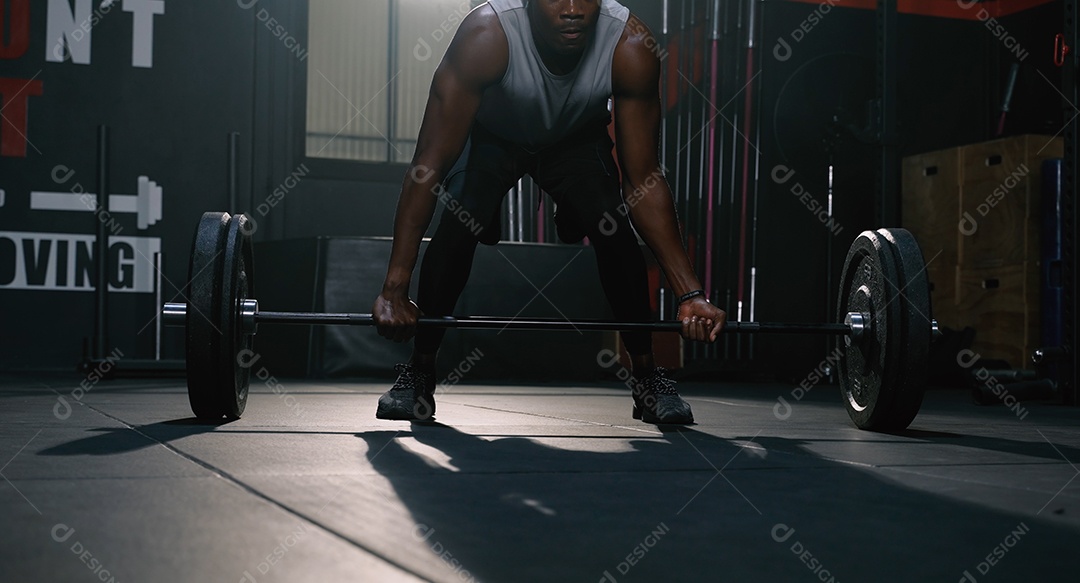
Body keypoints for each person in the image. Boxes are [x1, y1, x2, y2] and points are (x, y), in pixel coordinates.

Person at [371, 0, 725, 423]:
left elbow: (643, 180)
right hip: (495, 140)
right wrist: (394, 290)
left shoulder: (629, 43)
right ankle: (420, 372)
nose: (573, 9)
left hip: (574, 141)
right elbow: (427, 167)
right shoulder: (487, 35)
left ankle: (647, 379)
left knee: (612, 225)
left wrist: (691, 295)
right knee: (462, 216)